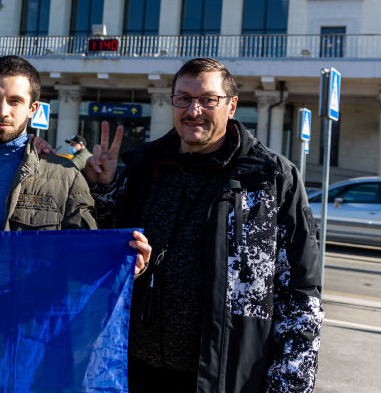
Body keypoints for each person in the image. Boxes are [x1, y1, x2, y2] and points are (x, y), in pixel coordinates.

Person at [86, 57, 323, 393]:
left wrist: (289, 385)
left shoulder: (270, 178)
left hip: (225, 378)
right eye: (183, 98)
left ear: (231, 106)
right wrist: (104, 190)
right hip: (130, 372)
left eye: (208, 99)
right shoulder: (143, 168)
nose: (193, 110)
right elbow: (103, 255)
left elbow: (300, 293)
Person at [0, 56, 150, 274]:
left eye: (14, 101)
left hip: (22, 305)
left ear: (32, 108)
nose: (2, 111)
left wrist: (126, 263)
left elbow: (88, 252)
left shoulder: (65, 175)